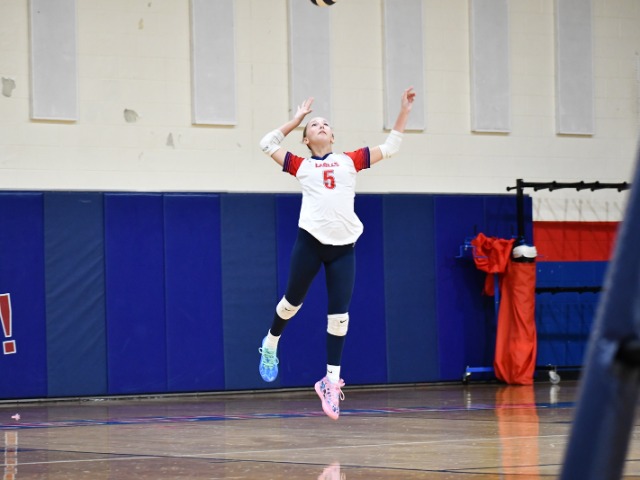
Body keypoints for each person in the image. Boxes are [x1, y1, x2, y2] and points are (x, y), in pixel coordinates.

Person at [258, 87, 416, 420]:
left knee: (339, 316)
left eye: (325, 124)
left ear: (332, 136)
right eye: (314, 125)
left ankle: (330, 382)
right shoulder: (301, 165)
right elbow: (267, 143)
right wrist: (295, 120)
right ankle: (271, 341)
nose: (321, 125)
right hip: (310, 243)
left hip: (344, 247)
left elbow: (391, 146)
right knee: (292, 303)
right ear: (306, 139)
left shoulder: (349, 160)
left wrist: (404, 110)